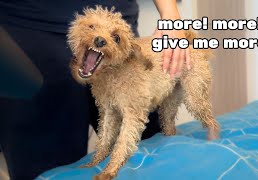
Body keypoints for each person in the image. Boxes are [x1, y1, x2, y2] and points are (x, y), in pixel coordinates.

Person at [0, 0, 189, 179]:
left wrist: (170, 14)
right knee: (48, 166)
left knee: (152, 159)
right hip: (28, 29)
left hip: (118, 29)